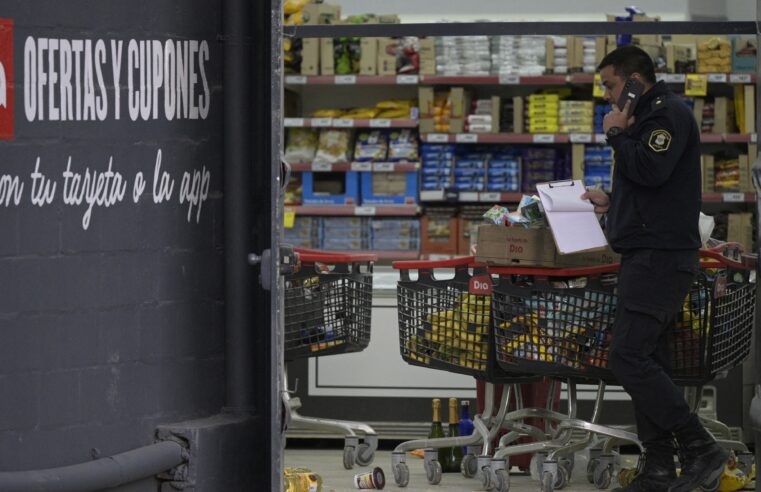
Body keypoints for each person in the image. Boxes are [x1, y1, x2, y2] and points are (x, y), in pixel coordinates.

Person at [581, 45, 728, 492]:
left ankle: (701, 448)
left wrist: (615, 136)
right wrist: (614, 202)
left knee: (627, 358)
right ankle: (660, 466)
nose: (606, 97)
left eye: (609, 85)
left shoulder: (664, 115)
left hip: (659, 258)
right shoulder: (648, 118)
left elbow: (650, 168)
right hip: (648, 253)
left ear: (634, 83)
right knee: (649, 360)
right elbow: (649, 184)